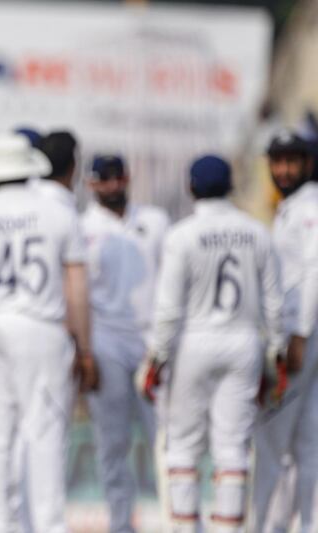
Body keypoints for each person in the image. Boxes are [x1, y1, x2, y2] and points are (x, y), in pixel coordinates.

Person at [0, 131, 96, 533]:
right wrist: (84, 347)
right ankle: (48, 525)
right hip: (42, 328)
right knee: (44, 433)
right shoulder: (58, 213)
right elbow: (76, 288)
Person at [137, 155, 285, 533]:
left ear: (191, 188)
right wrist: (276, 355)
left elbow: (169, 308)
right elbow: (274, 304)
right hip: (244, 343)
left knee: (183, 447)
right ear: (229, 186)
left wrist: (156, 358)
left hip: (194, 343)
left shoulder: (182, 235)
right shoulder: (257, 232)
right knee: (233, 448)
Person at [81, 155, 169, 533]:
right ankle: (121, 525)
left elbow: (171, 281)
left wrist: (167, 344)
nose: (113, 186)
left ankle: (177, 521)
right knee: (112, 443)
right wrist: (84, 351)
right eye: (105, 180)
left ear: (128, 178)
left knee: (166, 441)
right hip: (106, 344)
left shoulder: (155, 221)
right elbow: (79, 293)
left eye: (118, 178)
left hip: (153, 345)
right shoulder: (82, 227)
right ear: (92, 184)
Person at [252, 130, 318, 533]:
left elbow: (314, 270)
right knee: (307, 443)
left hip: (301, 339)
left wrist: (299, 334)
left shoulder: (309, 207)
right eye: (277, 161)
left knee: (272, 442)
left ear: (308, 163)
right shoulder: (292, 206)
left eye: (292, 161)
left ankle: (265, 527)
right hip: (306, 337)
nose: (284, 169)